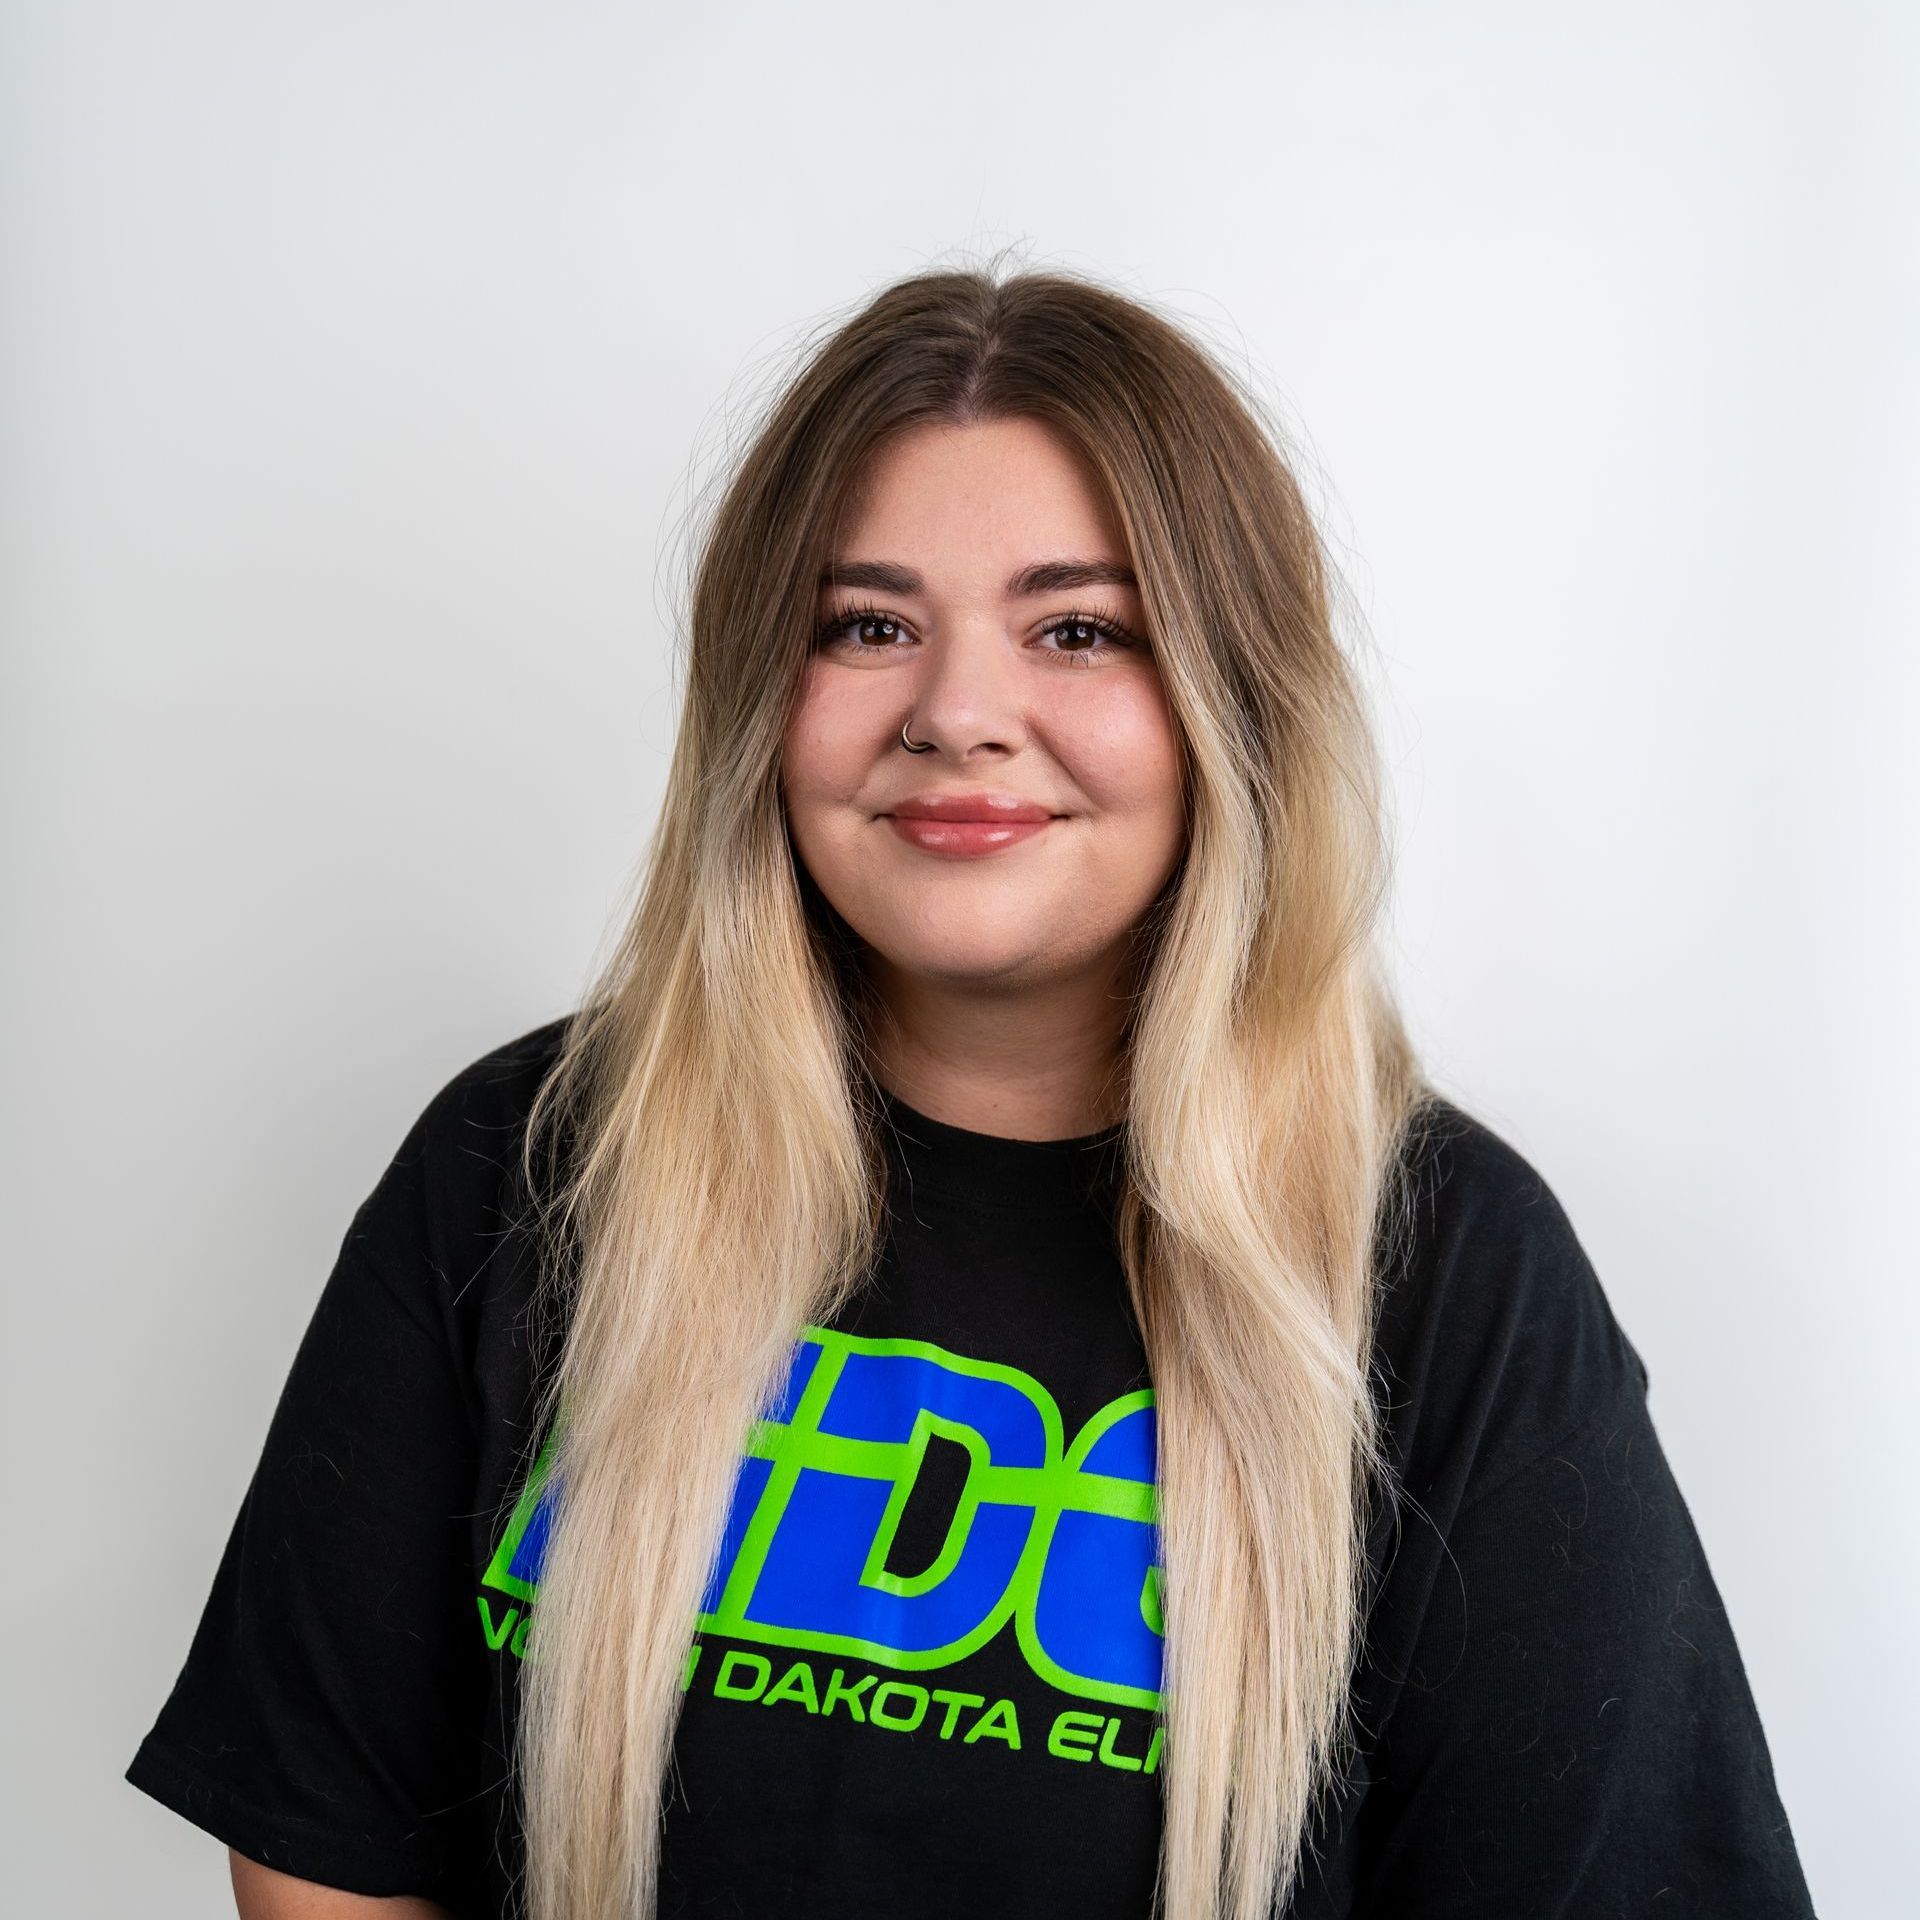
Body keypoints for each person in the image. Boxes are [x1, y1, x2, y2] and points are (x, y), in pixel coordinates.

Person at [125, 264, 1817, 1920]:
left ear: (1232, 701)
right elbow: (326, 1842)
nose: (957, 715)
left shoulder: (1443, 1263)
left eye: (1079, 629)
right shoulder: (528, 1164)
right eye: (868, 627)